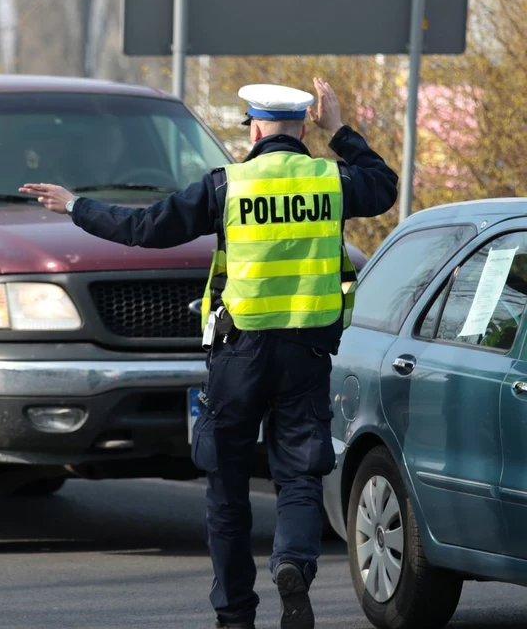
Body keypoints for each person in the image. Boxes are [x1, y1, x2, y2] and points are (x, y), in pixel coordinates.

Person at [20, 79, 398, 629]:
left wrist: (76, 206)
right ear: (300, 127)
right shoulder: (333, 180)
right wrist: (338, 129)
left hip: (240, 352)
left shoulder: (229, 185)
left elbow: (143, 228)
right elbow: (385, 186)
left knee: (226, 483)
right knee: (298, 476)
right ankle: (292, 563)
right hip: (308, 350)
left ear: (257, 127)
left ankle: (235, 615)